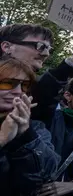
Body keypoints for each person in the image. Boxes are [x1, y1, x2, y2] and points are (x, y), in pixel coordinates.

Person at [0, 57, 60, 195]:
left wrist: (26, 136)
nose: (18, 91)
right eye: (7, 83)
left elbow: (47, 174)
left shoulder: (36, 128)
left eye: (25, 85)